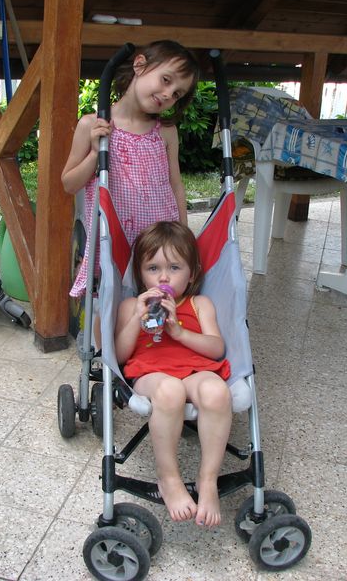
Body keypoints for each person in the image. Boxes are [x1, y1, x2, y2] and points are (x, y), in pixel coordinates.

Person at [115, 221, 232, 529]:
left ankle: (208, 480)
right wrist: (137, 317)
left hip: (195, 369)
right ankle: (169, 478)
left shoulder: (199, 304)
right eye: (153, 268)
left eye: (175, 267)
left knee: (217, 392)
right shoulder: (131, 305)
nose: (163, 277)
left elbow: (217, 348)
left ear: (192, 274)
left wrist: (179, 332)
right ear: (140, 274)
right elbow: (121, 355)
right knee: (170, 391)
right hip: (151, 372)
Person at [62, 40, 200, 300]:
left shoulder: (166, 132)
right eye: (166, 80)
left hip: (160, 244)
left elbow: (176, 184)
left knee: (157, 304)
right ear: (139, 65)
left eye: (177, 94)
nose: (168, 94)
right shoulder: (92, 125)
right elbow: (69, 184)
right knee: (110, 307)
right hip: (114, 239)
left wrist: (184, 236)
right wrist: (95, 153)